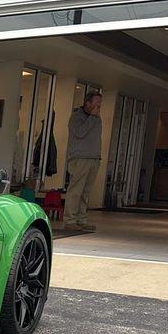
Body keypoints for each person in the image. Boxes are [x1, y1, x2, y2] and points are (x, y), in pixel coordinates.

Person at [64, 92, 102, 231]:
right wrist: (92, 117)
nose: (98, 107)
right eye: (96, 103)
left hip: (94, 158)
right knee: (76, 190)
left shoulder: (97, 119)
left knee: (86, 191)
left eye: (100, 104)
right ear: (87, 103)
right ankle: (70, 219)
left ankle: (81, 218)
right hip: (80, 158)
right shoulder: (76, 117)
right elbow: (80, 133)